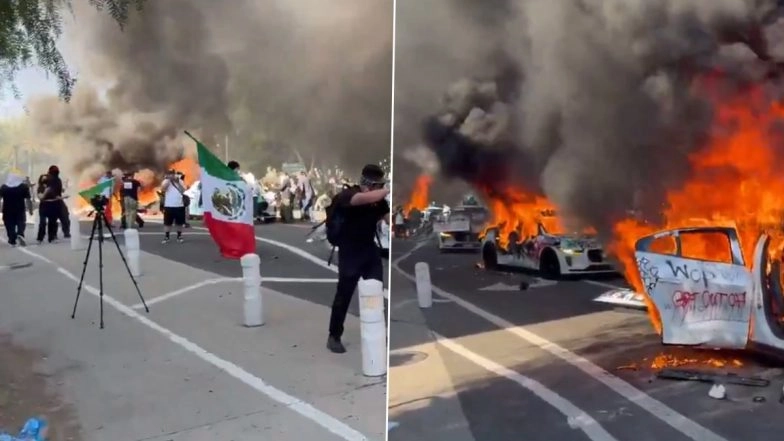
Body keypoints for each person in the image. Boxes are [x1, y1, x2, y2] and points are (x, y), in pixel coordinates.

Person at [327, 164, 390, 353]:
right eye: (378, 185)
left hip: (369, 251)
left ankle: (376, 331)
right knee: (344, 295)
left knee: (375, 292)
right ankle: (334, 335)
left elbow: (387, 217)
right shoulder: (349, 195)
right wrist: (387, 190)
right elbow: (361, 199)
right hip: (350, 252)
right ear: (368, 184)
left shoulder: (378, 200)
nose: (380, 189)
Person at [0, 170, 33, 246]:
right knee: (21, 222)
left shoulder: (4, 187)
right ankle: (20, 234)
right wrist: (30, 209)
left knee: (9, 224)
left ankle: (12, 239)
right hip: (20, 209)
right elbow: (28, 199)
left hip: (7, 209)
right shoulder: (23, 187)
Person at [37, 165, 64, 244]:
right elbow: (41, 196)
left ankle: (49, 237)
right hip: (49, 204)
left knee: (51, 221)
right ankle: (45, 237)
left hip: (51, 203)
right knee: (47, 222)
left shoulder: (56, 180)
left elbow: (58, 193)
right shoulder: (54, 181)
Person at [160, 169, 186, 243]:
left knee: (179, 223)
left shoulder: (180, 181)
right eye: (169, 174)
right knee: (167, 223)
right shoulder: (165, 181)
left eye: (172, 174)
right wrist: (168, 181)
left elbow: (183, 190)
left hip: (179, 205)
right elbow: (163, 189)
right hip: (168, 205)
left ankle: (179, 236)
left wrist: (178, 182)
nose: (171, 175)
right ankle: (167, 236)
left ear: (174, 174)